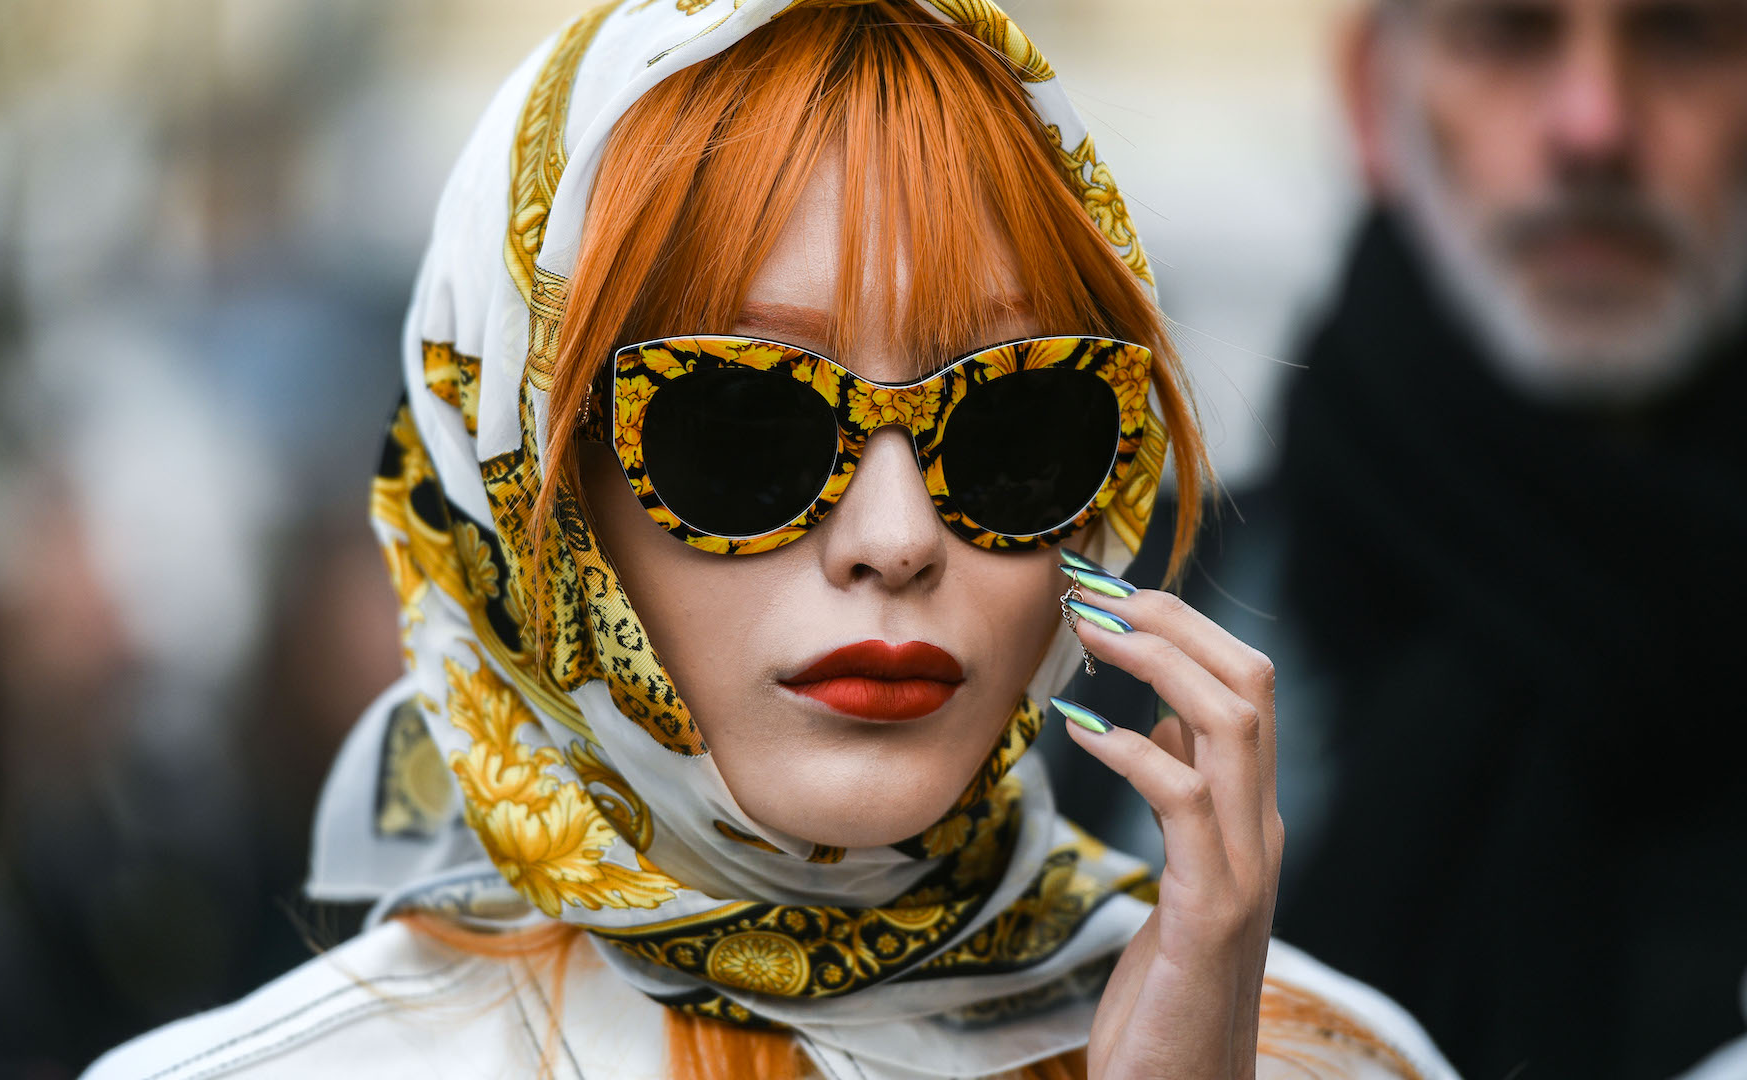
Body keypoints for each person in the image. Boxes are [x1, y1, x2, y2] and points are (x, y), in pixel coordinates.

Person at [84, 2, 1458, 1077]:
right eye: (740, 431)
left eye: (1016, 427)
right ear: (532, 494)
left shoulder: (1329, 1060)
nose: (897, 539)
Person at [1053, 1, 1747, 1078]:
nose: (1593, 125)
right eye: (1510, 34)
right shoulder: (1129, 631)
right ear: (1375, 100)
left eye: (1685, 36)